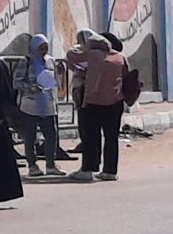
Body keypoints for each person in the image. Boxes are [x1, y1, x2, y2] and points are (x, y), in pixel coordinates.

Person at [66, 31, 129, 182]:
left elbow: (70, 56)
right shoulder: (120, 57)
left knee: (91, 137)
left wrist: (82, 47)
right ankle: (110, 171)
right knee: (111, 137)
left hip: (93, 102)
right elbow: (126, 77)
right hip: (115, 102)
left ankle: (88, 169)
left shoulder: (91, 54)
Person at [15, 34, 65, 178]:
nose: (43, 51)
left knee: (51, 135)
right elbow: (17, 82)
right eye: (40, 48)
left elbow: (53, 79)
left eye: (45, 48)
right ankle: (32, 165)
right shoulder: (26, 61)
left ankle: (51, 165)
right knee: (30, 136)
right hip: (31, 104)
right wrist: (32, 87)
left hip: (48, 103)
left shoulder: (51, 61)